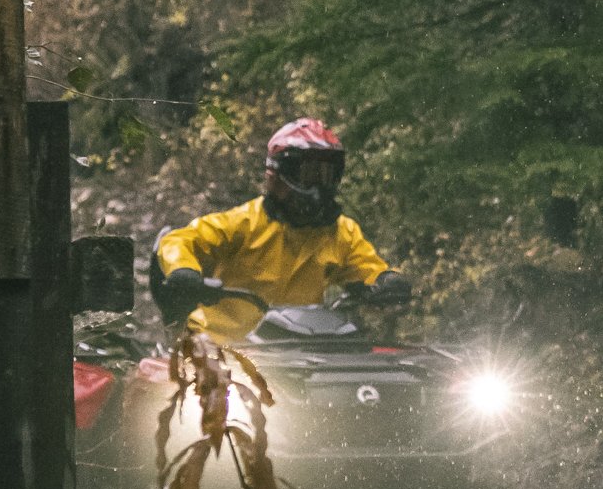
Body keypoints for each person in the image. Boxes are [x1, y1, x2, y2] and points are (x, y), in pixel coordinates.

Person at [152, 118, 411, 342]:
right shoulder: (243, 223)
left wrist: (388, 281)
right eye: (309, 174)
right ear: (278, 174)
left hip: (298, 350)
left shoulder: (341, 232)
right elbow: (179, 240)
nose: (319, 186)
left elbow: (367, 268)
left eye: (326, 174)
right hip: (222, 346)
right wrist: (184, 271)